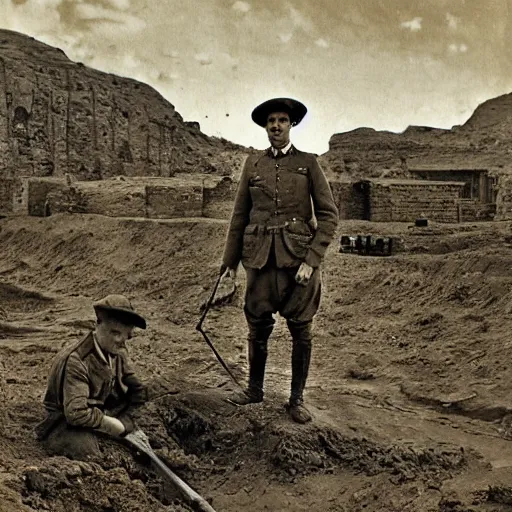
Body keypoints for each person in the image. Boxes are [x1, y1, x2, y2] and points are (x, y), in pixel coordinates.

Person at [221, 97, 338, 423]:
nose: (276, 126)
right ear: (265, 126)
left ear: (291, 125)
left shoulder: (308, 164)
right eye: (271, 121)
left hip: (297, 264)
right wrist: (229, 265)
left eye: (282, 120)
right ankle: (254, 390)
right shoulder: (253, 164)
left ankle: (296, 400)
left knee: (302, 330)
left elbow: (329, 216)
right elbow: (239, 215)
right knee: (257, 327)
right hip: (259, 262)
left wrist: (311, 260)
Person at [36, 294, 148, 460]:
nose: (121, 341)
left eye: (127, 336)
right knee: (91, 455)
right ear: (98, 324)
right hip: (64, 421)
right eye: (115, 333)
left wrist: (131, 419)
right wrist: (112, 424)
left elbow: (137, 390)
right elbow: (76, 414)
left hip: (99, 409)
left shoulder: (116, 351)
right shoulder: (78, 360)